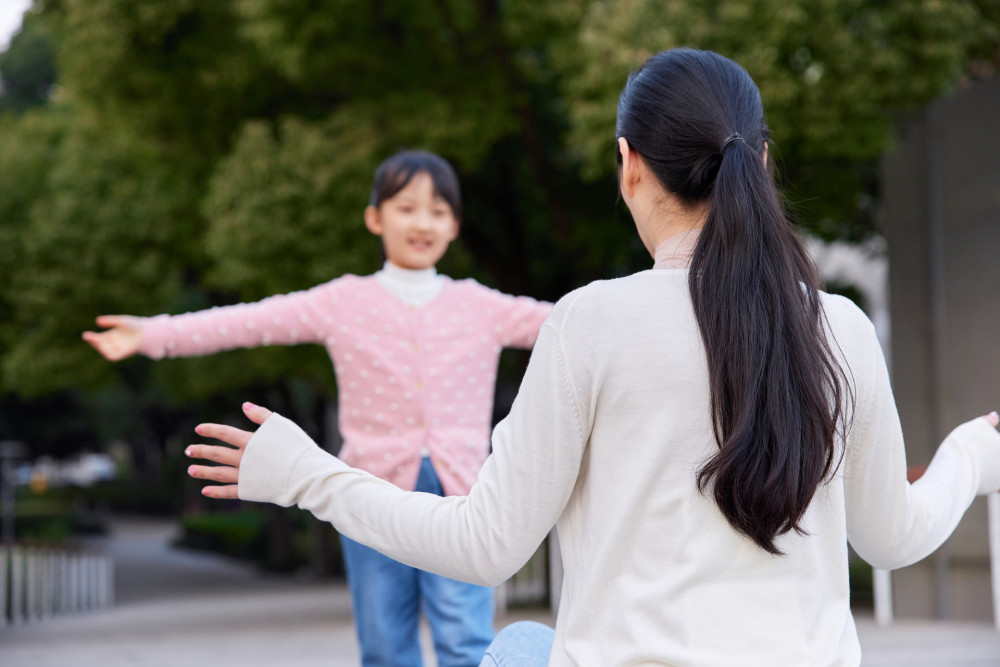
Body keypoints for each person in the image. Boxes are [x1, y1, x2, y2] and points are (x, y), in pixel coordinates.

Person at [184, 49, 1000, 666]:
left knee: (514, 649)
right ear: (758, 161)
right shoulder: (841, 326)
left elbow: (484, 545)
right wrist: (975, 451)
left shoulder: (592, 322)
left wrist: (308, 474)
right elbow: (895, 536)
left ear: (629, 165)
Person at [83, 150, 553, 667]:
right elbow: (252, 321)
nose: (423, 222)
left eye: (439, 211)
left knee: (466, 641)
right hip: (366, 495)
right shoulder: (342, 302)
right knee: (384, 647)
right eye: (407, 207)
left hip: (462, 497)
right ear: (375, 217)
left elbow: (570, 324)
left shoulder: (483, 307)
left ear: (455, 226)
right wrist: (155, 334)